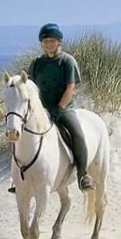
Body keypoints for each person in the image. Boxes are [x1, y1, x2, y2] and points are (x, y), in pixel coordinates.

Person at [21, 23, 94, 192]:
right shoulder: (37, 62)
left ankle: (83, 175)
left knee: (77, 133)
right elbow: (30, 87)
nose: (48, 44)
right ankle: (18, 178)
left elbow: (71, 89)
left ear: (59, 42)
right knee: (20, 134)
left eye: (52, 41)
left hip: (63, 109)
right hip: (41, 110)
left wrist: (59, 108)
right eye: (45, 41)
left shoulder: (68, 61)